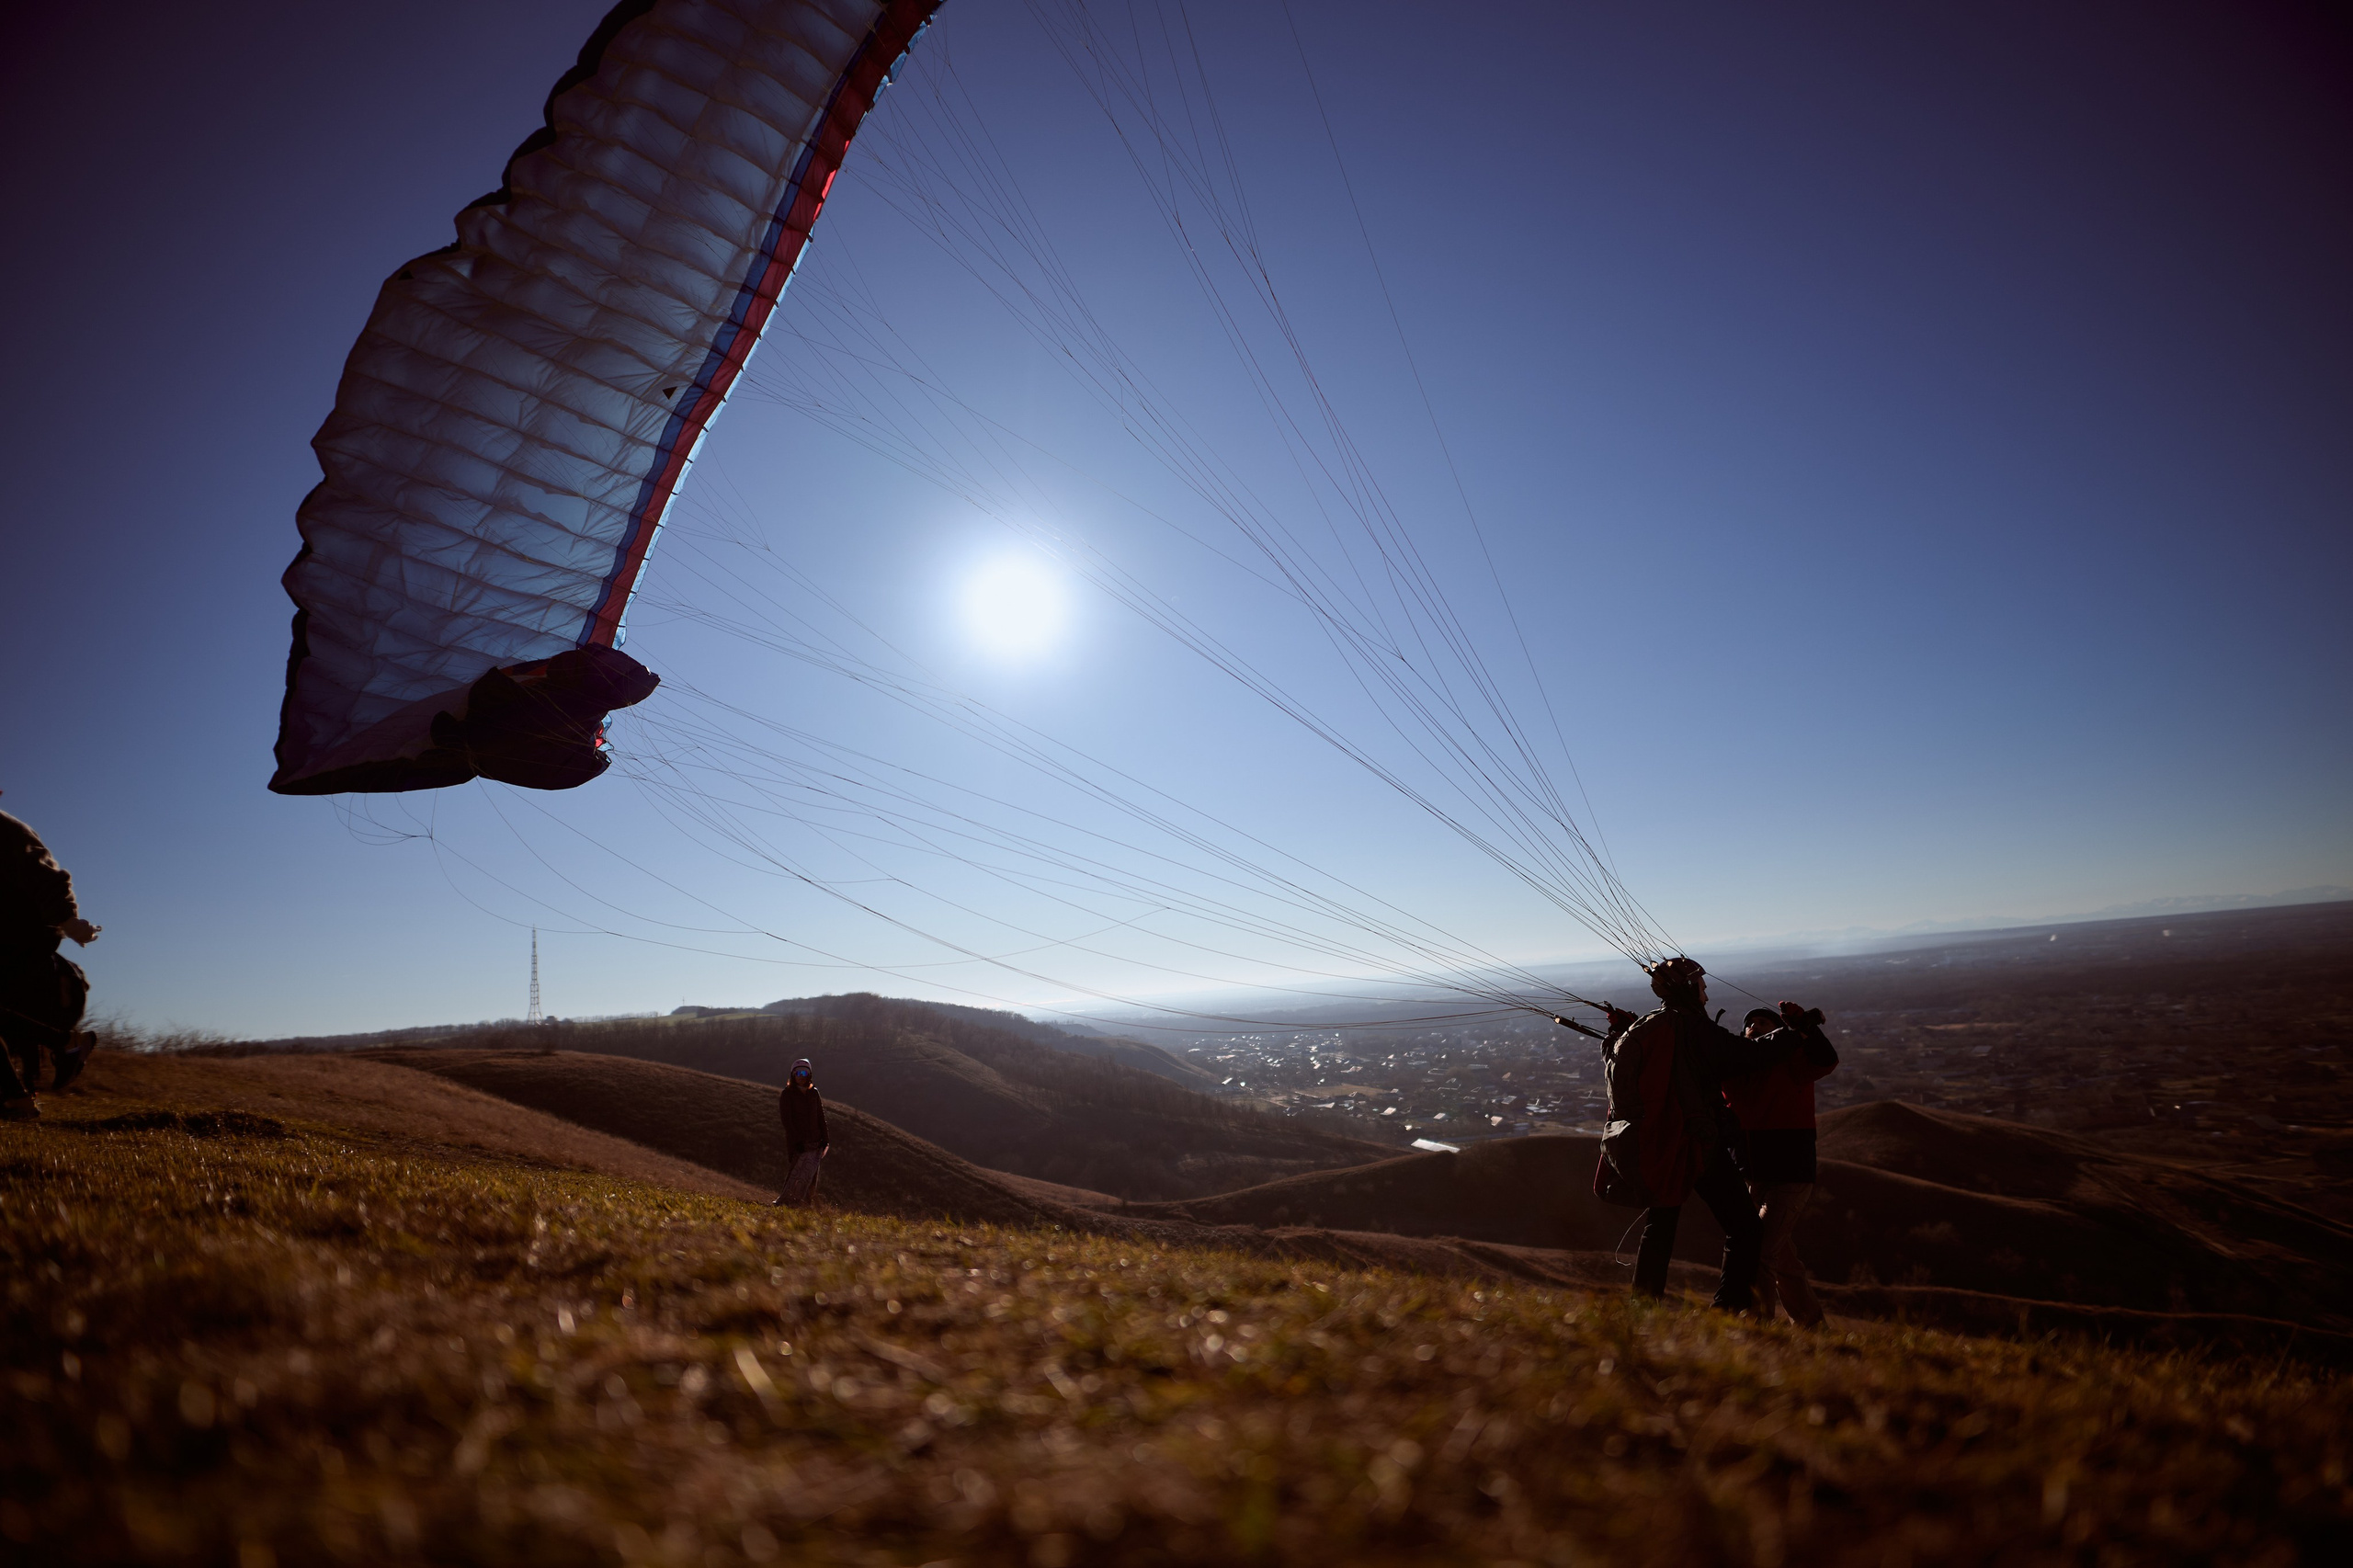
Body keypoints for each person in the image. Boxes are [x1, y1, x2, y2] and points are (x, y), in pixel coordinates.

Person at [1618, 957, 1795, 1312]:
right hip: (1697, 1141)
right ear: (1687, 988)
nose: (1707, 993)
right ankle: (1729, 1309)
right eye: (1701, 985)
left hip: (1661, 1142)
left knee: (1661, 1223)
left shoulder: (1648, 1027)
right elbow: (1745, 1054)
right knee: (1745, 1227)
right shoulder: (1693, 1027)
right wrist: (1794, 1033)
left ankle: (1643, 1305)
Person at [1724, 1003, 1839, 1326]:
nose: (1756, 1025)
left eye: (1764, 1022)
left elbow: (1826, 1060)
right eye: (1751, 1023)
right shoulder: (1736, 1069)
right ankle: (1812, 1327)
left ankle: (1758, 1327)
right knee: (1782, 1260)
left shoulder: (1795, 1062)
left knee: (1759, 1251)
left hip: (1790, 1172)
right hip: (1752, 1174)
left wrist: (1806, 1028)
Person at [1, 801, 101, 1121]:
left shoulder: (5, 828)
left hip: (22, 930)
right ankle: (20, 1096)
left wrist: (68, 920)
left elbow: (45, 873)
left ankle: (20, 1093)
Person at [772, 1058, 829, 1207]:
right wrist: (797, 1142)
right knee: (796, 1175)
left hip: (816, 1143)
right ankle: (786, 1202)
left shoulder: (814, 1093)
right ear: (793, 1075)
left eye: (804, 1072)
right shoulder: (787, 1094)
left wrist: (825, 1139)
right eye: (798, 1073)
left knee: (811, 1178)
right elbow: (787, 1122)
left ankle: (805, 1206)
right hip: (798, 1144)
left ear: (809, 1074)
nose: (801, 1076)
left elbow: (820, 1116)